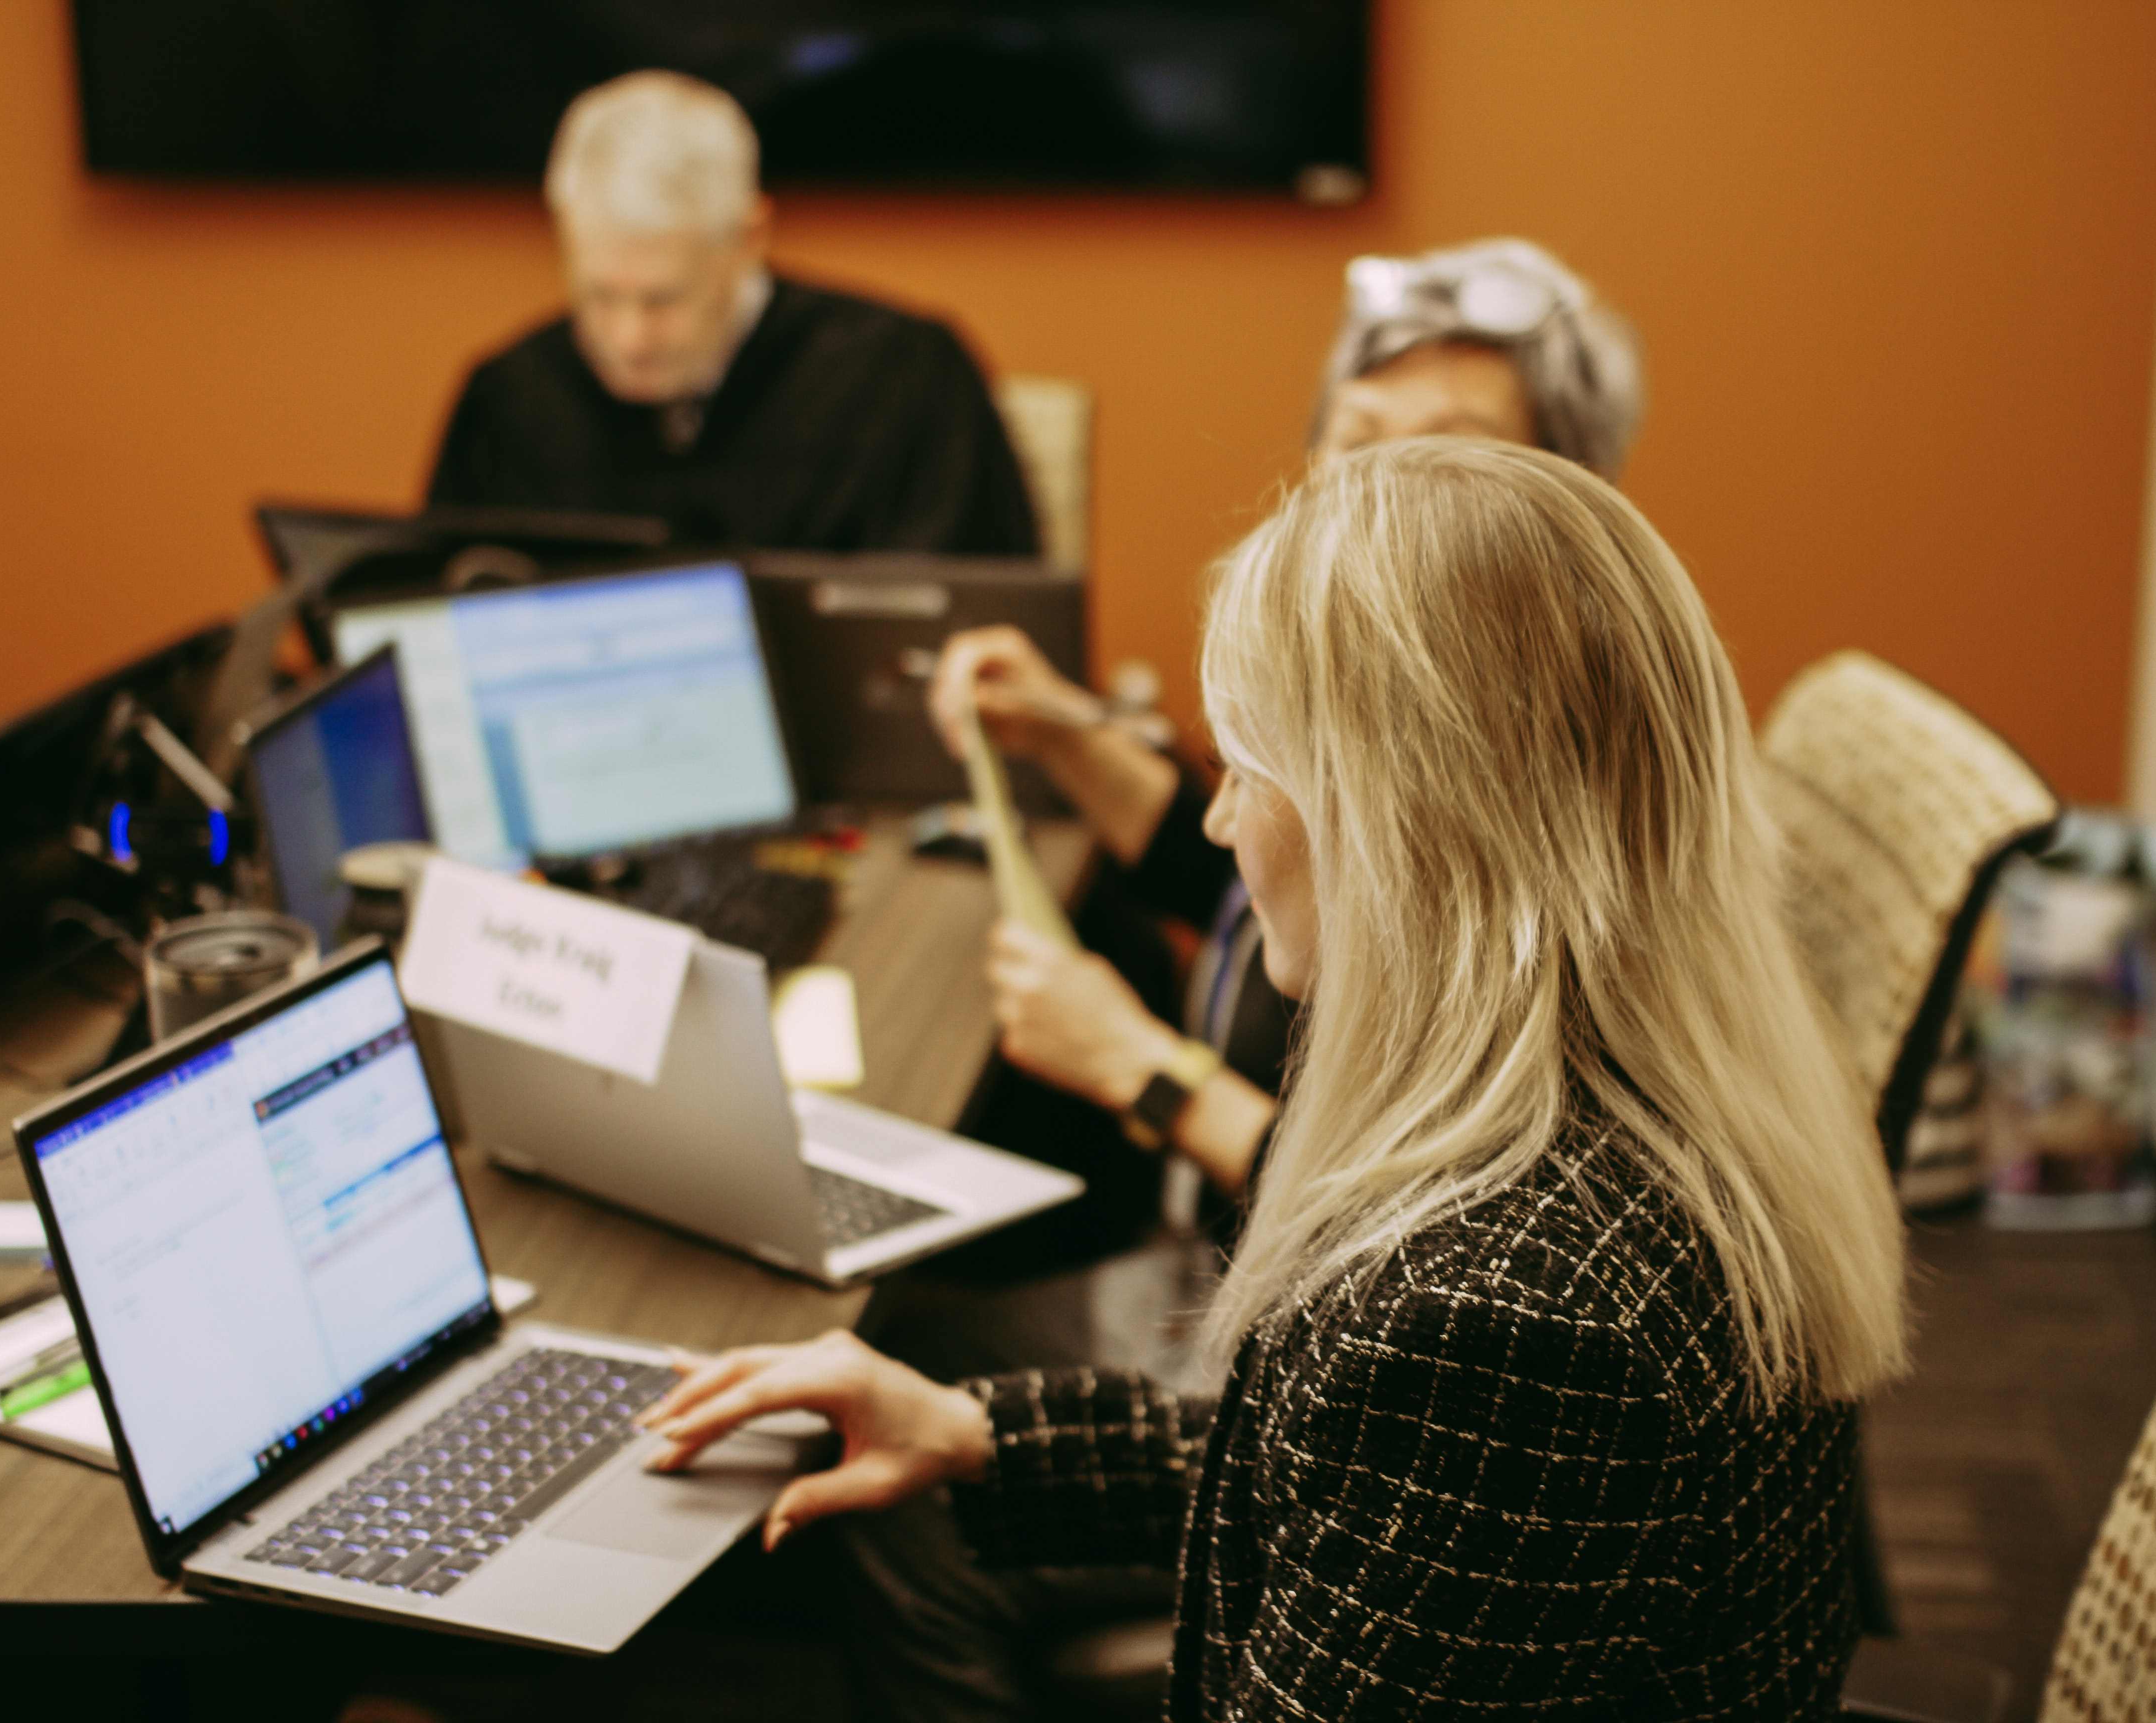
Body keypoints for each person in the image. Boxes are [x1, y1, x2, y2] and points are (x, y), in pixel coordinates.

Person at [639, 439, 1910, 1718]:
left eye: (1246, 767)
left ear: (1389, 818)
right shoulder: (1654, 1087)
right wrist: (977, 1435)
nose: (1215, 819)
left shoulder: (1496, 1316)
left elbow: (1402, 1461)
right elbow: (1345, 1493)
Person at [936, 238, 1644, 1205]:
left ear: (1570, 493)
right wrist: (1069, 738)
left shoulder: (1537, 800)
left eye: (1446, 446)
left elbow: (1417, 1226)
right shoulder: (1377, 707)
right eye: (1357, 436)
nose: (1376, 484)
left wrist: (1138, 1072)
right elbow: (1253, 875)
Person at [426, 71, 1040, 556]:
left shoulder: (902, 378)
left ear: (750, 238)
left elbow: (989, 645)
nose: (629, 338)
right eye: (599, 296)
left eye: (663, 299)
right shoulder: (513, 398)